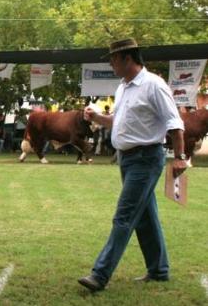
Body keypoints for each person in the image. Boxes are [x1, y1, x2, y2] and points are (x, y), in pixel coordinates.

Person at [78, 38, 187, 292]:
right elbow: (118, 122)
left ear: (127, 58)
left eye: (113, 59)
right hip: (127, 161)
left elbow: (176, 124)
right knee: (145, 217)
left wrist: (180, 157)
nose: (111, 64)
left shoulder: (154, 85)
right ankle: (159, 270)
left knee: (124, 216)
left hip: (146, 159)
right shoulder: (123, 87)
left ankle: (100, 274)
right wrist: (97, 117)